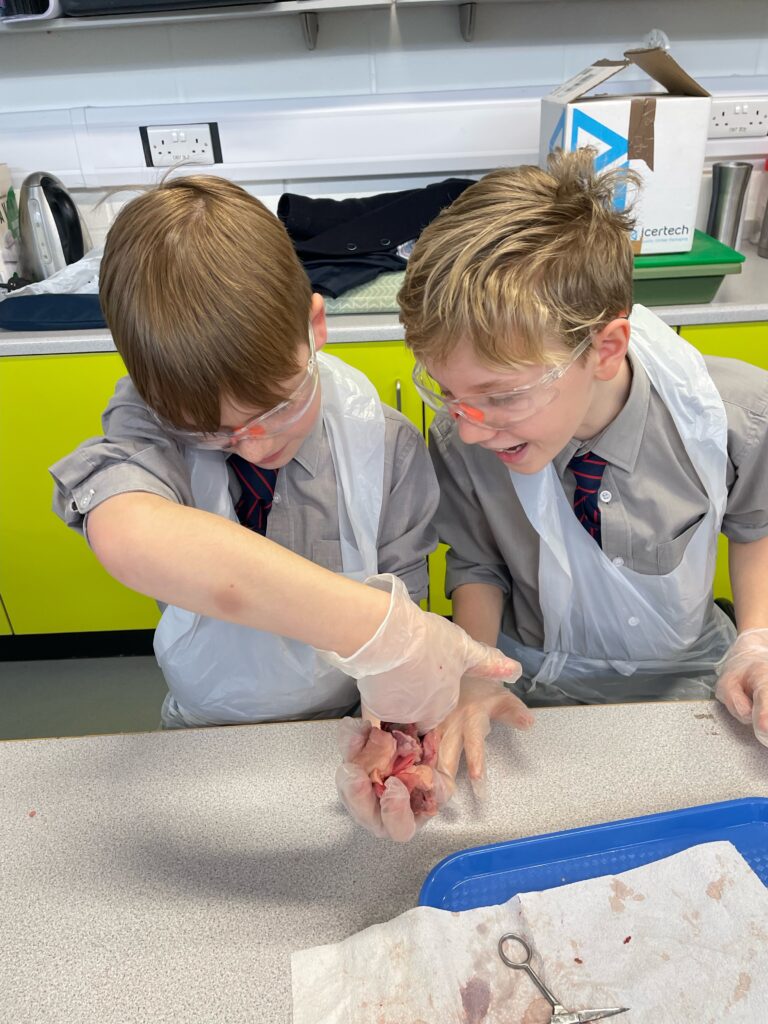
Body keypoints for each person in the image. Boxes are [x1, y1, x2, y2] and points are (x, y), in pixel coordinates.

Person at [49, 175, 528, 838]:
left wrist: (392, 741)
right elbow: (128, 534)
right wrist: (389, 634)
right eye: (213, 432)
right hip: (205, 731)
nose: (255, 443)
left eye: (278, 407)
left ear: (315, 324)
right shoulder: (153, 422)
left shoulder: (385, 445)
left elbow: (403, 638)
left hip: (343, 715)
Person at [398, 148, 768, 746]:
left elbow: (756, 525)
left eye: (504, 395)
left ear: (605, 348)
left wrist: (757, 642)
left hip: (692, 678)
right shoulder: (463, 438)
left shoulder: (730, 418)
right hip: (533, 679)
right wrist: (474, 674)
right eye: (446, 392)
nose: (469, 428)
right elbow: (478, 564)